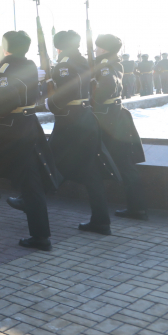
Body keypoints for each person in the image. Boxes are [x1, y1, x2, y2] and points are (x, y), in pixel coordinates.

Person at [0, 31, 58, 248]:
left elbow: (7, 101)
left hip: (11, 129)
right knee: (31, 184)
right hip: (27, 125)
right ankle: (41, 236)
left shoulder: (7, 68)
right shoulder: (27, 64)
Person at [44, 31, 119, 237]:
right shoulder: (83, 60)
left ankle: (32, 199)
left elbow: (67, 91)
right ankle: (101, 220)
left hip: (70, 120)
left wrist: (49, 102)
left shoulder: (65, 63)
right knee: (91, 172)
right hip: (85, 117)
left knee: (48, 159)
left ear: (58, 46)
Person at [91, 34, 148, 222]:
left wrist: (92, 97)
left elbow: (105, 88)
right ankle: (136, 207)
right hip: (114, 116)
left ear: (104, 49)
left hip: (109, 119)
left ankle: (137, 208)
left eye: (98, 47)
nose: (95, 49)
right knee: (124, 165)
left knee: (124, 164)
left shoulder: (106, 65)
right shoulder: (112, 62)